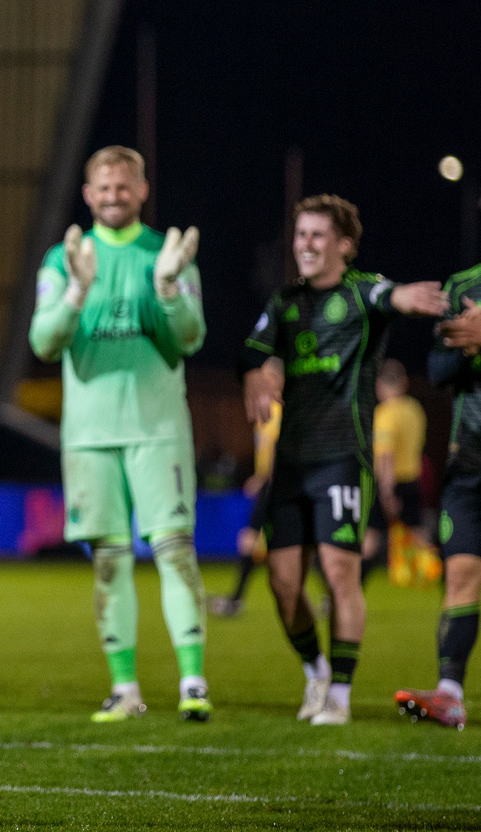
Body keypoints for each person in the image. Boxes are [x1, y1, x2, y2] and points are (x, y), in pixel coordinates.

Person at [242, 194, 447, 725]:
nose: (305, 244)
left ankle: (342, 694)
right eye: (300, 234)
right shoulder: (285, 302)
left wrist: (409, 297)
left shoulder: (361, 293)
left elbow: (391, 296)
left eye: (316, 235)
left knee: (339, 571)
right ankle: (317, 672)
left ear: (344, 245)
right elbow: (257, 354)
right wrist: (258, 375)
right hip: (291, 462)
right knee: (283, 585)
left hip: (341, 456)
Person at [29, 145, 210, 724]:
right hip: (89, 434)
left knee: (175, 553)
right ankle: (125, 689)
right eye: (103, 188)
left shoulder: (169, 253)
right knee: (110, 561)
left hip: (158, 430)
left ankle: (193, 682)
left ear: (142, 190)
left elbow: (191, 337)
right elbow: (43, 342)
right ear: (88, 194)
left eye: (123, 187)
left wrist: (168, 289)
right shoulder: (64, 259)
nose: (113, 196)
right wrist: (78, 291)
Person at [393, 262, 481, 729]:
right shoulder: (463, 287)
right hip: (469, 465)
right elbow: (437, 368)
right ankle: (449, 694)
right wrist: (468, 346)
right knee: (461, 573)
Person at [210, 395, 281, 617]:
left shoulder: (276, 413)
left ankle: (235, 600)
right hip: (271, 485)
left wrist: (261, 479)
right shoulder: (266, 414)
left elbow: (278, 450)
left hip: (274, 486)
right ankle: (236, 598)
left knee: (249, 540)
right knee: (252, 541)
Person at [362, 358, 428, 582]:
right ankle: (442, 586)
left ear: (380, 384)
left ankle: (349, 589)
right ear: (404, 382)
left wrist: (387, 491)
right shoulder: (415, 409)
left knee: (370, 539)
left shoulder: (385, 414)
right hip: (413, 480)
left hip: (389, 483)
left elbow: (386, 455)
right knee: (418, 535)